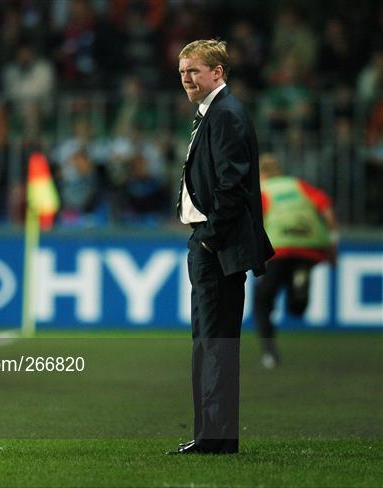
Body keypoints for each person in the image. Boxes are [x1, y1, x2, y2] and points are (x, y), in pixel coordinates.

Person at [170, 39, 274, 455]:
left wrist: (210, 238)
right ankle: (215, 435)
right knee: (212, 342)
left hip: (218, 245)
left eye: (193, 71)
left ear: (218, 72)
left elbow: (233, 184)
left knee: (213, 342)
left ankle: (214, 438)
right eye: (182, 72)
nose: (186, 79)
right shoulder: (216, 113)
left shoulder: (225, 114)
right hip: (212, 241)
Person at [255, 153, 338, 369]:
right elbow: (326, 208)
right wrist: (332, 243)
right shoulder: (298, 185)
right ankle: (299, 279)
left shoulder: (262, 191)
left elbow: (255, 221)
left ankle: (269, 353)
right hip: (309, 245)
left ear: (260, 174)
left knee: (263, 301)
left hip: (278, 247)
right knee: (297, 307)